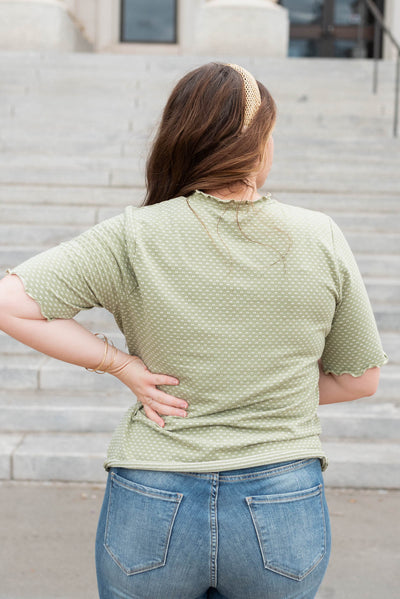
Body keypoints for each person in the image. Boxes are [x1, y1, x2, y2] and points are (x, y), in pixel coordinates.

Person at [0, 62, 389, 599]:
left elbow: (9, 303)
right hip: (280, 496)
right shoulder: (318, 236)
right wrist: (267, 391)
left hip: (153, 491)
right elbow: (360, 379)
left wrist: (121, 365)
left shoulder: (134, 234)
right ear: (257, 145)